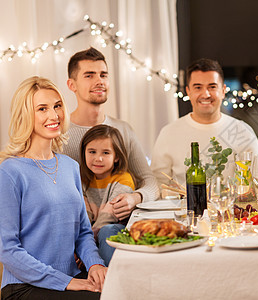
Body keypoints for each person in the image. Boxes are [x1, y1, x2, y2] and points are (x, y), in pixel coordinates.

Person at [0, 76, 107, 299]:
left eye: (57, 106)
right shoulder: (10, 171)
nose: (54, 115)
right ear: (25, 115)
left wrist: (95, 264)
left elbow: (83, 233)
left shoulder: (70, 166)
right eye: (42, 109)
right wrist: (66, 282)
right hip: (24, 287)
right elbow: (7, 249)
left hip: (71, 277)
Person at [64, 47, 159, 223]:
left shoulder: (123, 130)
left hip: (117, 228)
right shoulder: (60, 134)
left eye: (103, 75)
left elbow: (149, 181)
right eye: (89, 75)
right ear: (72, 85)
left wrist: (135, 198)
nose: (99, 81)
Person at [151, 58, 258, 188]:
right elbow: (158, 185)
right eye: (198, 87)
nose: (206, 94)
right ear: (188, 92)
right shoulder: (169, 133)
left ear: (223, 91)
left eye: (212, 87)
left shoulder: (242, 131)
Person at [80, 124, 137, 266]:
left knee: (107, 230)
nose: (98, 158)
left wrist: (87, 244)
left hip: (116, 229)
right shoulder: (82, 180)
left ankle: (108, 274)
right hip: (92, 234)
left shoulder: (123, 179)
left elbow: (109, 216)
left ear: (116, 157)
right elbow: (83, 216)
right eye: (92, 152)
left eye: (105, 153)